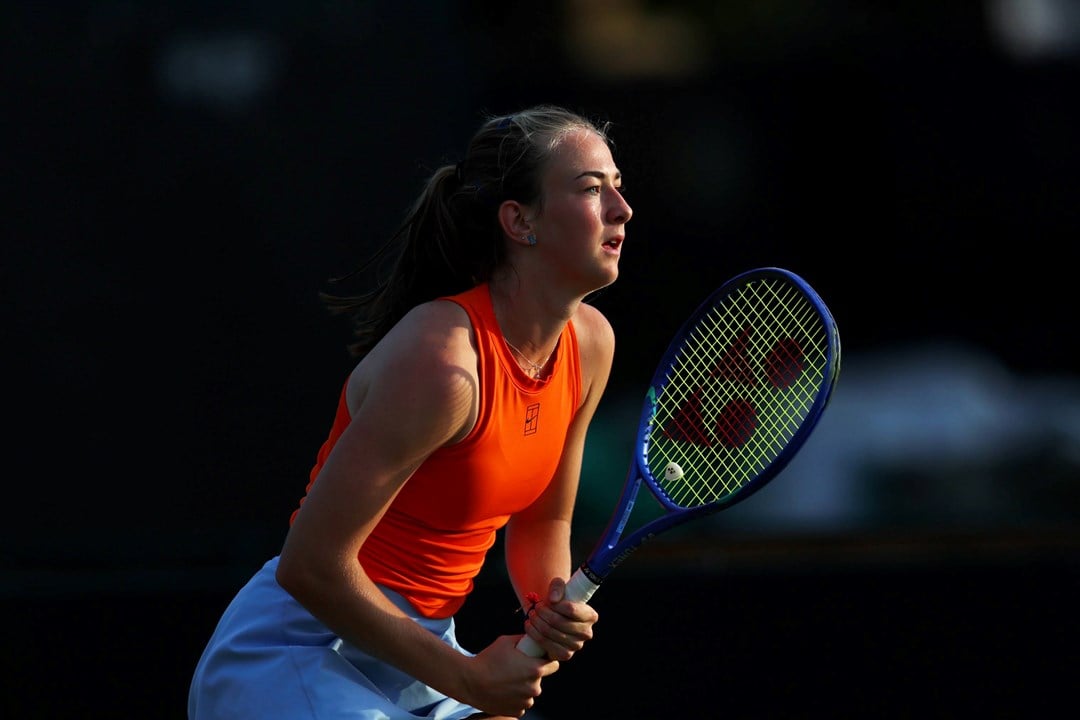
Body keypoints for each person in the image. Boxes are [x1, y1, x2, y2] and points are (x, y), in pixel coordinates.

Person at [187, 104, 633, 719]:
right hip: (299, 648)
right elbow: (309, 567)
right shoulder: (444, 363)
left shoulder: (592, 345)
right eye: (590, 188)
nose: (621, 209)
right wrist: (473, 682)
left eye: (618, 186)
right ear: (519, 220)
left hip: (418, 655)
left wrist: (546, 608)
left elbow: (542, 525)